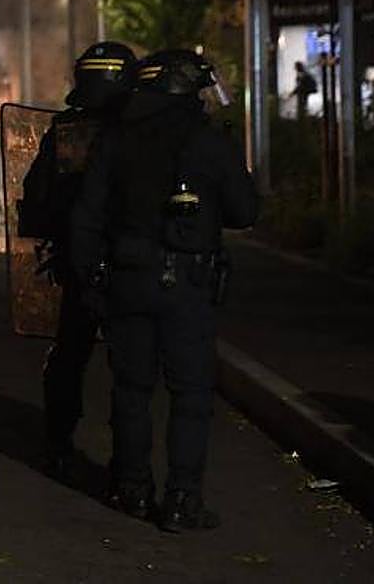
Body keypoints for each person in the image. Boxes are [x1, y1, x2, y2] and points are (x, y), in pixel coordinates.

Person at [71, 49, 259, 532]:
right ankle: (181, 500)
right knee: (191, 395)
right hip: (189, 285)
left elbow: (87, 216)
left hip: (128, 280)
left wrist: (89, 277)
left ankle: (131, 489)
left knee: (132, 389)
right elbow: (244, 212)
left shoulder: (116, 138)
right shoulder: (207, 141)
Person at [19, 41, 136, 480]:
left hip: (79, 264)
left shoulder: (67, 131)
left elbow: (36, 198)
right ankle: (130, 467)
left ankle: (58, 445)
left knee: (69, 356)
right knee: (131, 365)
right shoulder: (139, 131)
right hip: (131, 265)